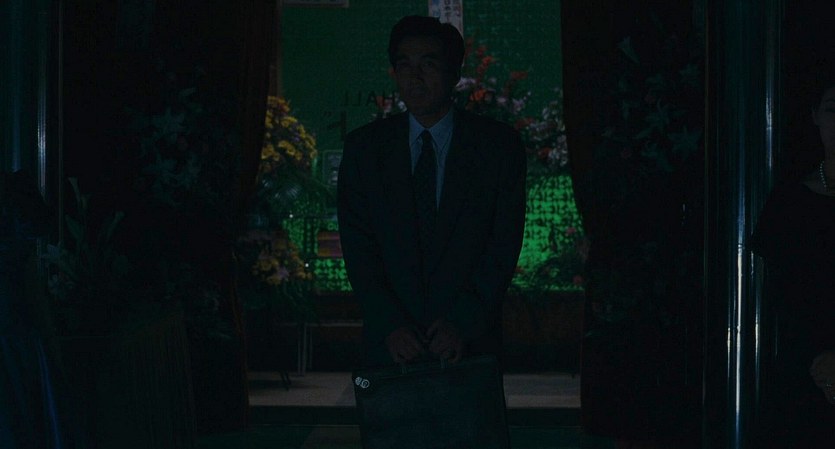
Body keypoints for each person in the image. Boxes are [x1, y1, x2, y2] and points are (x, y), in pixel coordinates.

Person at [337, 15, 526, 368]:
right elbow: (358, 246)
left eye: (428, 64)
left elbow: (503, 244)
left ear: (454, 73)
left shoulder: (496, 147)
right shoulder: (365, 149)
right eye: (404, 65)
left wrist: (463, 323)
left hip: (469, 346)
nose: (415, 77)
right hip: (390, 347)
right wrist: (390, 324)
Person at [751, 78, 835, 448]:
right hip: (802, 376)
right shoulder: (789, 203)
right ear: (815, 116)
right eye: (832, 110)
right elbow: (783, 299)